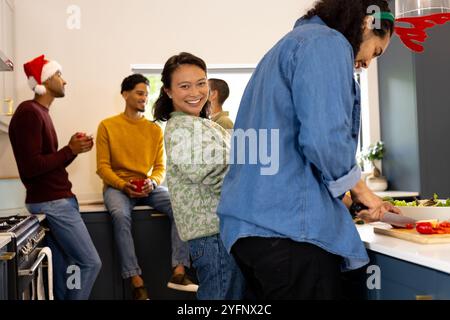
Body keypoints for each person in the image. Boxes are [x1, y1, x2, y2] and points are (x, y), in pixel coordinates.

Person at [217, 0, 401, 300]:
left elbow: (289, 153)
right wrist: (363, 193)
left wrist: (348, 201)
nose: (367, 63)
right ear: (368, 23)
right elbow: (323, 139)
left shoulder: (285, 48)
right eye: (376, 51)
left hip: (249, 231)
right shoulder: (326, 45)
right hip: (288, 234)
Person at [96, 74, 197, 300]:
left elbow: (161, 167)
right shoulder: (107, 126)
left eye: (146, 94)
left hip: (148, 187)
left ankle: (179, 271)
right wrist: (123, 185)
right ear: (125, 94)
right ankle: (135, 279)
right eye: (140, 93)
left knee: (180, 205)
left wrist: (152, 182)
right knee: (120, 215)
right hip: (118, 187)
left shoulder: (154, 130)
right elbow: (102, 167)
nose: (144, 98)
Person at [9, 54, 101, 300]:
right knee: (90, 263)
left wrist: (74, 150)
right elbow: (31, 167)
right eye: (59, 75)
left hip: (53, 200)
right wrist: (69, 150)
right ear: (46, 80)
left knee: (61, 270)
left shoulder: (39, 112)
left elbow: (47, 165)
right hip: (53, 202)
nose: (64, 81)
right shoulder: (29, 112)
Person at [153, 52, 245, 300]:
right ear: (168, 91)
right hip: (212, 237)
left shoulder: (200, 123)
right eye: (184, 86)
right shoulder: (181, 129)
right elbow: (216, 174)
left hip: (221, 234)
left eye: (201, 83)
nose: (195, 92)